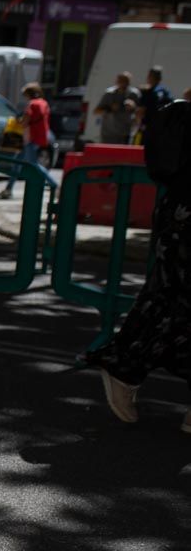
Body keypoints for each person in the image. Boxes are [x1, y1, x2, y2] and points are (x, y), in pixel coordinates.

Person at [89, 100, 191, 433]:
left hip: (179, 207)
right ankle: (124, 366)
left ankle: (125, 367)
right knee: (172, 296)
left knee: (169, 293)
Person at [0, 82, 50, 200]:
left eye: (25, 95)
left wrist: (16, 122)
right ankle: (8, 189)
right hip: (38, 137)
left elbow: (24, 122)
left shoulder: (32, 105)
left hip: (29, 138)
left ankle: (51, 183)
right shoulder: (43, 103)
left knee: (33, 164)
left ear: (28, 94)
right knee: (17, 163)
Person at [94, 72, 140, 145]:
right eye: (121, 81)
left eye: (126, 81)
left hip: (125, 133)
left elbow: (140, 113)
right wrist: (110, 108)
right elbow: (96, 111)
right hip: (109, 134)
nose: (123, 84)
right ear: (117, 81)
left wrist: (133, 107)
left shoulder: (133, 94)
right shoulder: (109, 93)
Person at [137, 66, 173, 146]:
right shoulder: (165, 92)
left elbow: (141, 110)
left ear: (149, 77)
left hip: (147, 127)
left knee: (141, 150)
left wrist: (140, 124)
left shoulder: (147, 92)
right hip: (160, 128)